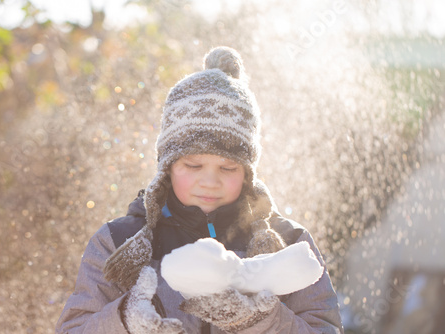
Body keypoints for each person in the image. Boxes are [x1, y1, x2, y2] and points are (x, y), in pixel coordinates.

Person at [56, 46, 344, 334]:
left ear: (247, 173)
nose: (210, 181)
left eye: (228, 168)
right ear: (167, 167)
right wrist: (125, 321)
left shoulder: (288, 242)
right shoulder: (116, 242)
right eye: (193, 165)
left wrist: (256, 320)